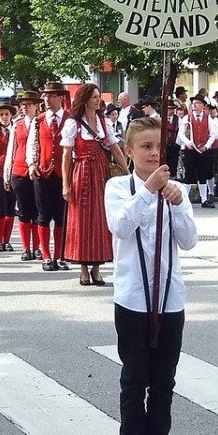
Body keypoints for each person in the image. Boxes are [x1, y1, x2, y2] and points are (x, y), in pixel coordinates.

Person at [104, 117, 197, 435]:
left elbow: (188, 240)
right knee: (134, 378)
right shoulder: (118, 188)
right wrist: (147, 191)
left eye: (159, 146)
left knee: (163, 381)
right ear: (129, 151)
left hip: (170, 299)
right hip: (133, 299)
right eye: (146, 146)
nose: (154, 153)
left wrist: (177, 204)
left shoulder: (177, 189)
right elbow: (120, 226)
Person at [62, 83, 129, 287]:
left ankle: (97, 268)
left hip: (101, 174)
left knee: (101, 218)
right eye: (94, 97)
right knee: (81, 220)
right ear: (85, 100)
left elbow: (115, 149)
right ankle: (83, 268)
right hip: (81, 173)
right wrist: (65, 184)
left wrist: (127, 173)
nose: (98, 100)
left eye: (98, 96)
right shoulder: (73, 124)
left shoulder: (104, 122)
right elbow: (66, 156)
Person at [28, 82, 71, 272]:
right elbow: (31, 144)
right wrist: (31, 164)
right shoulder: (38, 120)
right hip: (43, 172)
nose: (47, 99)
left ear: (61, 97)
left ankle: (59, 256)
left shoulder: (70, 119)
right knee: (43, 216)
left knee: (61, 216)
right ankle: (46, 256)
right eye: (45, 96)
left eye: (52, 95)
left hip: (63, 174)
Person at [6, 91, 42, 262]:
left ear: (36, 105)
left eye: (28, 104)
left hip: (37, 171)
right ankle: (26, 247)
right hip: (19, 170)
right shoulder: (17, 125)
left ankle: (37, 247)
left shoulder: (41, 122)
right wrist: (7, 174)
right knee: (23, 210)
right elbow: (11, 150)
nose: (24, 107)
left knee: (38, 210)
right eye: (23, 104)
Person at [179, 95, 217, 209]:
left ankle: (204, 199)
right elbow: (181, 134)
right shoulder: (187, 118)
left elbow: (213, 134)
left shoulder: (208, 118)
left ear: (203, 106)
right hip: (190, 150)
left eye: (197, 103)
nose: (194, 105)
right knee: (188, 174)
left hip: (203, 151)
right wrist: (188, 142)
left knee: (202, 174)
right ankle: (184, 199)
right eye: (193, 103)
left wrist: (206, 146)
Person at [0, 102, 17, 252]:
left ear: (11, 115)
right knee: (0, 207)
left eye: (7, 114)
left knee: (11, 208)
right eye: (1, 114)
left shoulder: (15, 130)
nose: (4, 117)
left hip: (13, 173)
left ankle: (7, 240)